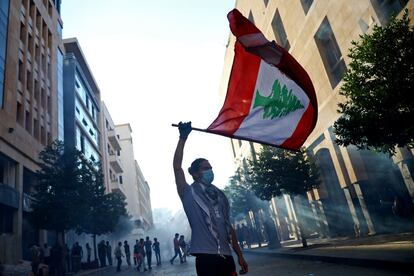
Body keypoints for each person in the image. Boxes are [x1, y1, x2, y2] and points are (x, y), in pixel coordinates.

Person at [173, 122, 248, 275]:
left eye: (210, 168)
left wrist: (240, 255)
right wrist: (182, 138)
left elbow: (228, 227)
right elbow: (177, 167)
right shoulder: (188, 193)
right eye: (205, 168)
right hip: (205, 257)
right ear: (194, 173)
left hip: (227, 257)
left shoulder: (220, 195)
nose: (210, 171)